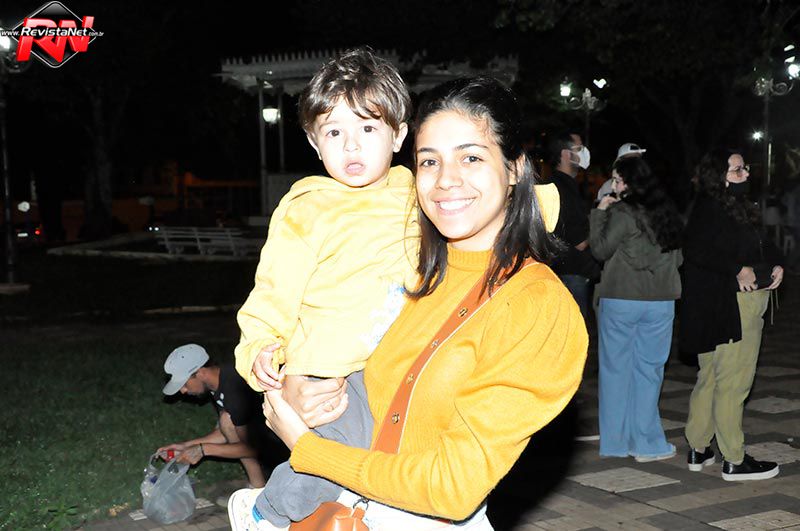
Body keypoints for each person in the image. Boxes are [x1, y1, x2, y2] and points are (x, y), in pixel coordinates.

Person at [231, 76, 588, 530]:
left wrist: (308, 448)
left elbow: (452, 489)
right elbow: (344, 340)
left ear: (515, 168)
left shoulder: (536, 307)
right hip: (345, 511)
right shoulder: (415, 269)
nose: (447, 180)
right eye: (429, 161)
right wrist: (295, 386)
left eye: (471, 157)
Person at [680, 149, 784, 481]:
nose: (746, 174)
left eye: (744, 169)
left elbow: (758, 244)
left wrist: (777, 263)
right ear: (720, 175)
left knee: (711, 376)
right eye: (738, 170)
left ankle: (698, 446)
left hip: (717, 303)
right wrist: (738, 269)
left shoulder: (723, 205)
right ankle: (734, 458)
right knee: (733, 381)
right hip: (735, 305)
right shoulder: (714, 207)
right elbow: (697, 249)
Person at [589, 157, 683, 461]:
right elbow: (679, 257)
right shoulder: (667, 212)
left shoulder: (622, 213)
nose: (614, 185)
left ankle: (616, 444)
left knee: (616, 371)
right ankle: (646, 443)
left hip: (622, 298)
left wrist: (599, 212)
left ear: (628, 183)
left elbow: (600, 249)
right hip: (661, 301)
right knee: (649, 372)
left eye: (617, 180)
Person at [158, 344, 269, 488]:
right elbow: (228, 431)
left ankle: (259, 488)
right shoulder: (217, 384)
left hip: (282, 449)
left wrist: (203, 450)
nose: (183, 391)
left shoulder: (235, 389)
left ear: (200, 373)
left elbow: (252, 448)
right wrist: (186, 446)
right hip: (262, 438)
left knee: (227, 420)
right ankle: (258, 486)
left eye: (184, 384)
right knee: (226, 420)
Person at [547, 131, 600, 321]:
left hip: (563, 272)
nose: (584, 152)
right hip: (571, 275)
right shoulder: (563, 189)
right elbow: (580, 242)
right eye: (579, 148)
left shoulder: (561, 184)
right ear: (565, 154)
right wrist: (601, 219)